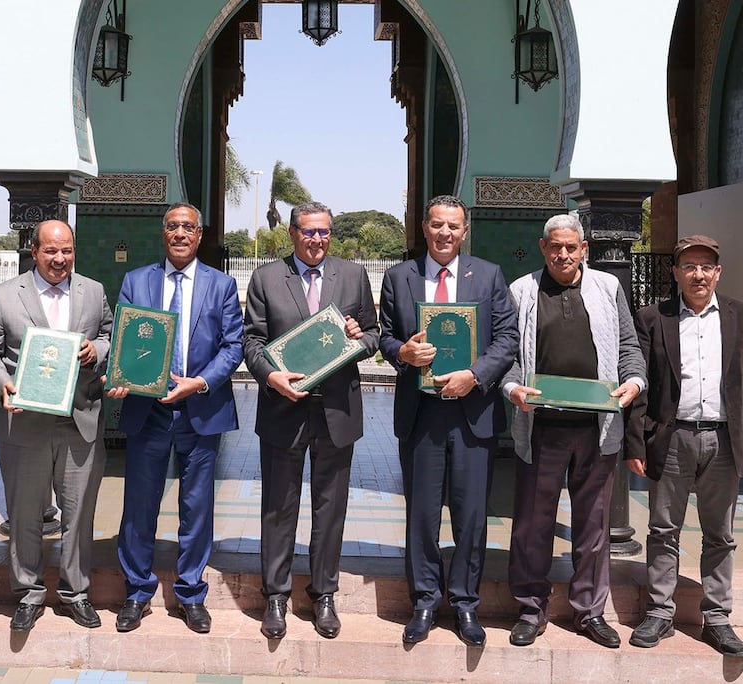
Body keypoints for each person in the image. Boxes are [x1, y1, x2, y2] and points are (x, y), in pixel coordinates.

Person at [378, 195, 519, 647]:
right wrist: (402, 351)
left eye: (453, 226)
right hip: (421, 415)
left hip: (472, 413)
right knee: (421, 514)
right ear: (424, 227)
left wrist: (473, 376)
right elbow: (384, 334)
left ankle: (464, 603)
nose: (444, 233)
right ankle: (423, 600)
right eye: (437, 224)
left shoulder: (490, 275)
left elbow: (507, 338)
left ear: (465, 230)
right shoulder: (400, 277)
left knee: (471, 515)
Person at [625, 235, 743, 657]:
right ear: (675, 273)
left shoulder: (742, 316)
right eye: (689, 266)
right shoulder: (654, 317)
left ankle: (719, 618)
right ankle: (658, 612)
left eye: (706, 266)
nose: (698, 274)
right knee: (663, 528)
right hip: (673, 438)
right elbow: (641, 386)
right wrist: (637, 442)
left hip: (725, 440)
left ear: (718, 272)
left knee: (720, 534)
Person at [503, 213, 646, 649]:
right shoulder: (522, 291)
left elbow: (628, 346)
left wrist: (634, 382)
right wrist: (512, 387)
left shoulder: (608, 288)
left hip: (595, 429)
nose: (563, 254)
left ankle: (590, 611)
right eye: (554, 247)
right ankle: (531, 607)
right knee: (532, 523)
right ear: (543, 248)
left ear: (584, 248)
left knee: (593, 526)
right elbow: (506, 352)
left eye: (571, 247)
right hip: (541, 427)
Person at [242, 201, 380, 640]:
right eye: (309, 232)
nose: (317, 240)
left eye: (324, 232)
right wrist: (270, 375)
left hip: (337, 410)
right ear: (292, 234)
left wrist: (361, 338)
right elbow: (253, 340)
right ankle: (276, 597)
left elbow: (375, 334)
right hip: (285, 409)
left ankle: (323, 594)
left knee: (330, 509)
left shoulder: (353, 275)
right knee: (279, 508)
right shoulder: (266, 277)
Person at [108, 203, 243, 634]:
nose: (181, 234)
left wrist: (199, 383)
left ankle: (190, 592)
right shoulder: (136, 280)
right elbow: (122, 338)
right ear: (163, 233)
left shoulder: (221, 285)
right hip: (147, 411)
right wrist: (122, 374)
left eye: (189, 227)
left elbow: (233, 346)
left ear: (199, 235)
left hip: (200, 409)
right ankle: (137, 592)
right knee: (139, 506)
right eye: (173, 227)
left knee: (196, 506)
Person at [0, 219, 113, 632]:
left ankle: (76, 592)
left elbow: (109, 334)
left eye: (67, 250)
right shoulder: (3, 295)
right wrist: (2, 383)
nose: (60, 259)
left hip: (79, 420)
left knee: (78, 513)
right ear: (33, 251)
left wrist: (97, 350)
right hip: (25, 421)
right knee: (25, 514)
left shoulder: (93, 292)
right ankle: (28, 593)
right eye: (51, 251)